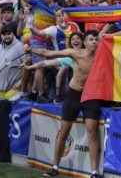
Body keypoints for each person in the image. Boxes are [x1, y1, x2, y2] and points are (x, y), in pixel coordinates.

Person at [25, 30, 103, 178]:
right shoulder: (75, 54)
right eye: (91, 39)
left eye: (96, 39)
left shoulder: (101, 55)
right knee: (63, 132)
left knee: (92, 131)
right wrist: (31, 50)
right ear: (84, 42)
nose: (94, 42)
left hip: (91, 95)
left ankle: (94, 172)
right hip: (73, 95)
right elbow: (48, 54)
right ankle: (54, 167)